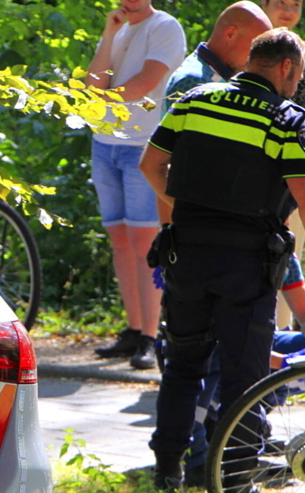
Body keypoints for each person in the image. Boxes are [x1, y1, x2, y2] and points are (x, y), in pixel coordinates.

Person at [139, 27, 305, 493]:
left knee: (183, 364)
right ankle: (235, 486)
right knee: (244, 376)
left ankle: (167, 471)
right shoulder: (287, 119)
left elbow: (150, 165)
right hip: (246, 263)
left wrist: (191, 204)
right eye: (299, 74)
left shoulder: (195, 100)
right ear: (287, 68)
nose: (297, 84)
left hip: (186, 250)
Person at [87, 0, 186, 370]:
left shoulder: (165, 27)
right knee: (119, 239)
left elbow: (145, 84)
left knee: (145, 243)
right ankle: (132, 331)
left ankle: (151, 334)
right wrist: (109, 34)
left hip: (143, 148)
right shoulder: (118, 27)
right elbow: (93, 82)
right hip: (104, 144)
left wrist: (98, 99)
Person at [183, 254, 305, 485]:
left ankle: (249, 425)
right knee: (207, 364)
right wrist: (283, 362)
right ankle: (196, 455)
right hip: (210, 344)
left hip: (252, 341)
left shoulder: (279, 251)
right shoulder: (223, 247)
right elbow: (224, 338)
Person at [155, 1, 272, 227]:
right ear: (230, 33)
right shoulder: (195, 81)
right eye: (255, 48)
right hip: (195, 228)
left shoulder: (219, 76)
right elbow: (168, 163)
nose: (258, 59)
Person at [261, 0, 305, 325]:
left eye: (296, 4)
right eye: (281, 2)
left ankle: (282, 353)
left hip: (290, 174)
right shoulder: (251, 47)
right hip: (242, 176)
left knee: (286, 267)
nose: (288, 10)